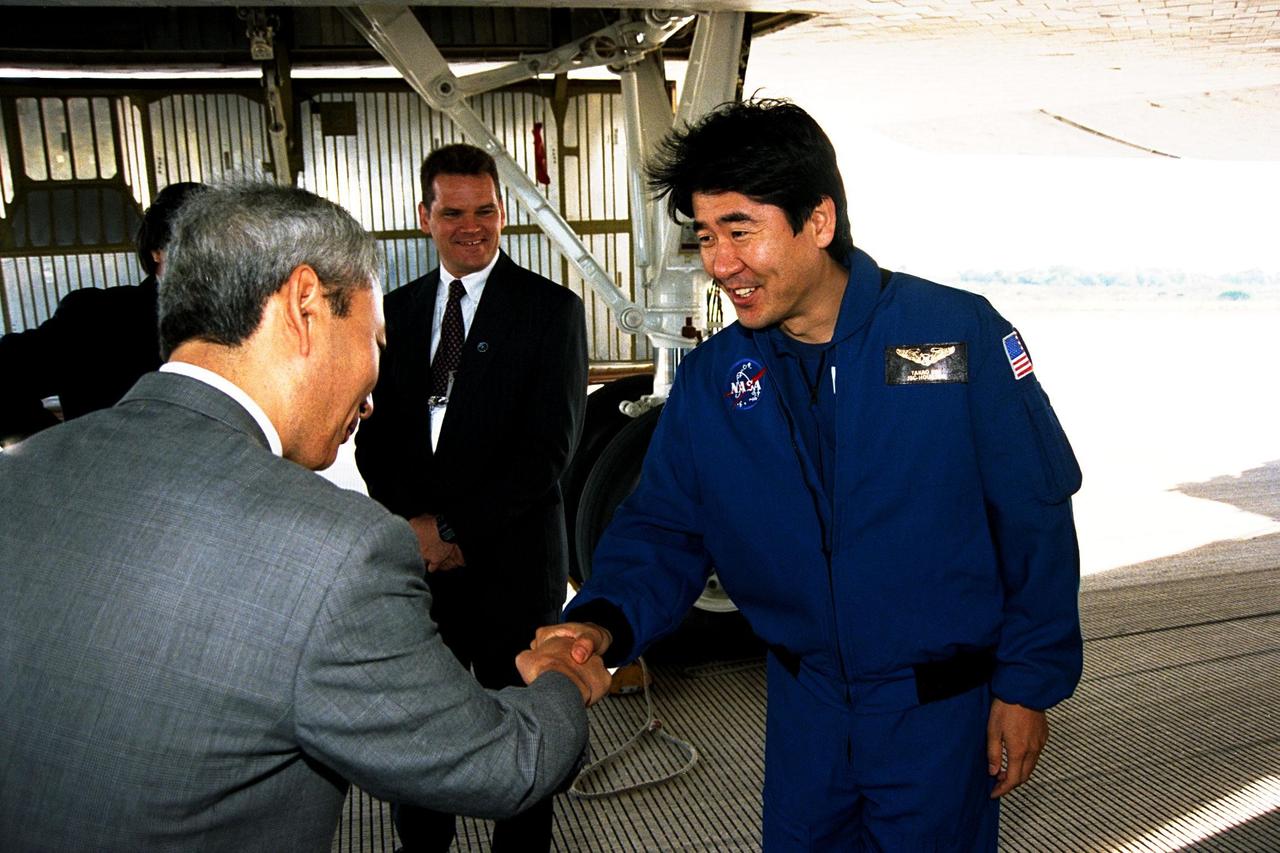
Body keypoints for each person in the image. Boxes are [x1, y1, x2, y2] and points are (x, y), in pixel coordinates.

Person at [539, 99, 1084, 851]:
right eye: (704, 236)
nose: (720, 263)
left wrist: (1026, 686)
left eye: (740, 229)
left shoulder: (958, 337)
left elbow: (1035, 518)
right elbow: (663, 528)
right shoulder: (714, 379)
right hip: (807, 713)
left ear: (818, 221)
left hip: (938, 716)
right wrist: (600, 624)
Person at [0, 182, 610, 852]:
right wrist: (562, 676)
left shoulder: (18, 476)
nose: (374, 396)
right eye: (375, 338)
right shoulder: (334, 550)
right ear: (305, 304)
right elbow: (506, 765)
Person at [355, 143, 589, 852]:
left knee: (521, 736)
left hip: (513, 569)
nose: (472, 226)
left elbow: (547, 452)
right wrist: (416, 530)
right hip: (421, 572)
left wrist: (452, 528)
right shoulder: (393, 311)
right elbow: (373, 437)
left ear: (502, 211)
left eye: (485, 210)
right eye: (453, 212)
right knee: (420, 732)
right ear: (423, 216)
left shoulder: (550, 312)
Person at [0, 181, 204, 442]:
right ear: (157, 250)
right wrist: (57, 449)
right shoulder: (96, 318)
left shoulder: (251, 320)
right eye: (193, 241)